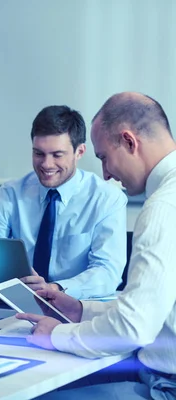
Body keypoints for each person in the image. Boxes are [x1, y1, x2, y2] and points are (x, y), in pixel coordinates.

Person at [17, 92, 176, 399]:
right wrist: (80, 310)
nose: (105, 174)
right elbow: (156, 307)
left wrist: (57, 335)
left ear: (129, 142)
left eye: (104, 157)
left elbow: (134, 327)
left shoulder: (164, 208)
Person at [0, 105, 127, 299]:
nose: (46, 164)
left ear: (79, 152)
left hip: (77, 309)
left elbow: (107, 273)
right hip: (16, 303)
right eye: (39, 153)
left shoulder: (107, 199)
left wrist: (55, 288)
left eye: (57, 155)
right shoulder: (10, 194)